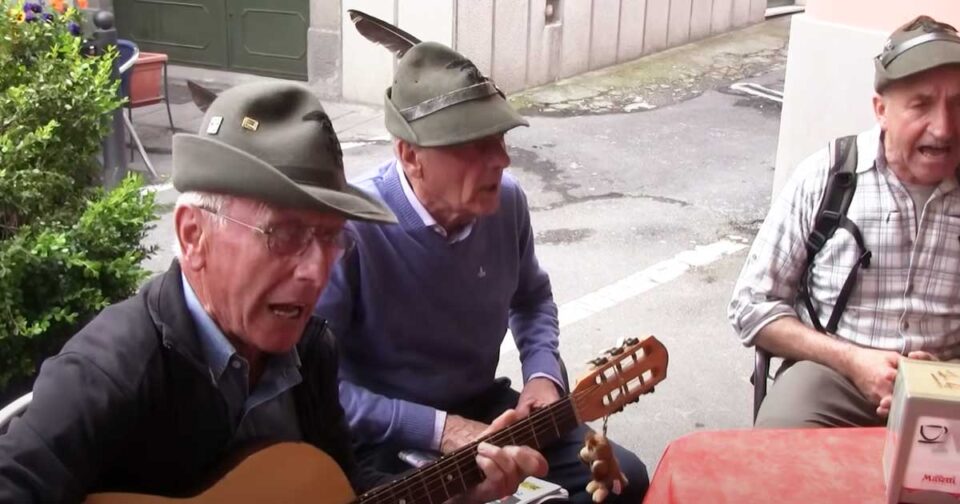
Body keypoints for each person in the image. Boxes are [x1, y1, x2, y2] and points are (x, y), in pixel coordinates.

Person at [0, 81, 547, 503]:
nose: (314, 271)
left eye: (331, 238)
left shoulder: (309, 349)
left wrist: (456, 492)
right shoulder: (114, 370)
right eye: (283, 234)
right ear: (194, 236)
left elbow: (343, 487)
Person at [315, 41, 648, 503]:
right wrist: (442, 429)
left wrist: (542, 376)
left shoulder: (506, 202)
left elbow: (531, 298)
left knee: (622, 481)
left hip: (485, 411)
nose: (503, 160)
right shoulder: (350, 230)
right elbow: (319, 389)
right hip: (383, 440)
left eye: (500, 138)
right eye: (474, 146)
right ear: (410, 155)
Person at [729, 15, 960, 428]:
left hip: (951, 384)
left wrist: (941, 378)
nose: (944, 128)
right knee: (779, 447)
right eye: (921, 105)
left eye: (959, 104)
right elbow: (751, 306)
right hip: (833, 378)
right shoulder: (829, 177)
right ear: (881, 110)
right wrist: (853, 360)